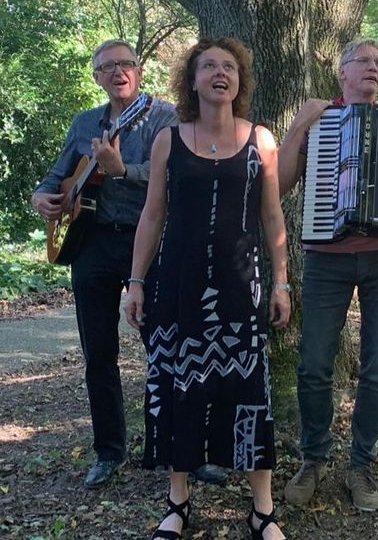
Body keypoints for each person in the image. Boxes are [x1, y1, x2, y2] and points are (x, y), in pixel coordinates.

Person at [123, 38, 290, 539]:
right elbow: (153, 215)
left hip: (243, 289)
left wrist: (281, 282)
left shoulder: (261, 139)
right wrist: (135, 282)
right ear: (191, 80)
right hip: (177, 286)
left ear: (240, 81)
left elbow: (272, 215)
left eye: (230, 67)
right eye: (209, 66)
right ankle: (178, 504)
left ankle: (262, 511)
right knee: (180, 388)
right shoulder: (168, 140)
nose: (221, 73)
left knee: (249, 392)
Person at [277, 38, 378, 512]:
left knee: (377, 368)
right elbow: (282, 183)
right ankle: (312, 458)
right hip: (327, 255)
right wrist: (298, 127)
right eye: (363, 61)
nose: (373, 68)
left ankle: (360, 465)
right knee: (313, 364)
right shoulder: (320, 117)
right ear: (342, 73)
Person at [30, 39, 183, 489]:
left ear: (139, 71)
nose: (118, 72)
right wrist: (43, 195)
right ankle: (109, 451)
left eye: (126, 64)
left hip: (149, 244)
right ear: (97, 76)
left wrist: (122, 170)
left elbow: (173, 178)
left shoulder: (165, 118)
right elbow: (58, 176)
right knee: (98, 353)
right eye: (108, 67)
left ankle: (172, 450)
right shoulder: (85, 123)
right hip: (92, 244)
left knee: (165, 349)